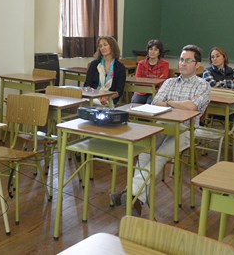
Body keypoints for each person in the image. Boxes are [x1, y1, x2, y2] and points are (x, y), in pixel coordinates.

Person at [110, 44, 210, 216]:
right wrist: (180, 104)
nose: (183, 63)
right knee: (144, 153)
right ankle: (136, 197)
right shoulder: (169, 82)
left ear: (197, 65)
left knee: (160, 156)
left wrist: (169, 102)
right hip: (162, 127)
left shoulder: (203, 85)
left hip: (186, 130)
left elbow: (192, 107)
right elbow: (156, 102)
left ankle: (130, 194)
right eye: (181, 59)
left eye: (188, 60)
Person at [84, 36, 126, 105]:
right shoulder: (94, 64)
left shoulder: (120, 67)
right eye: (100, 46)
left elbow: (119, 91)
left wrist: (106, 98)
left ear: (112, 47)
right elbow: (87, 85)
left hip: (110, 99)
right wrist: (95, 96)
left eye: (105, 45)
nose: (103, 48)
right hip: (93, 97)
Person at [131, 39, 170, 104]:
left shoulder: (164, 64)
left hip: (156, 91)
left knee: (151, 102)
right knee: (135, 101)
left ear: (159, 52)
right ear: (148, 50)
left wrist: (148, 82)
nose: (152, 52)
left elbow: (163, 79)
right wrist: (153, 81)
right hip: (141, 91)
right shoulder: (141, 63)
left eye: (155, 50)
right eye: (151, 49)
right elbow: (138, 79)